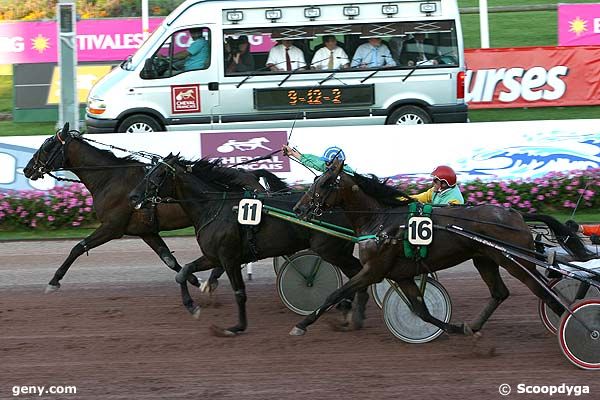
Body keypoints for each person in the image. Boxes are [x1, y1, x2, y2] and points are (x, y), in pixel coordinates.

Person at [282, 145, 354, 173]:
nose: (326, 164)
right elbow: (314, 161)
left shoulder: (347, 173)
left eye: (328, 162)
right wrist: (292, 153)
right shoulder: (330, 168)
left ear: (336, 162)